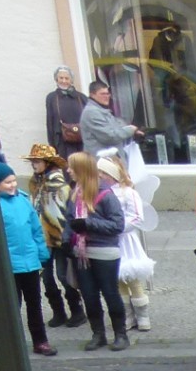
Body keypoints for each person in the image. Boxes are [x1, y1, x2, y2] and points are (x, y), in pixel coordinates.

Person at [64, 150, 128, 351]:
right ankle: (98, 334)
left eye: (71, 167)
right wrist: (67, 240)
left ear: (81, 169)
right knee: (89, 295)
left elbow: (117, 225)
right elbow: (69, 220)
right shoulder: (75, 193)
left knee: (110, 293)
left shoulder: (105, 194)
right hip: (82, 253)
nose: (68, 171)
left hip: (104, 251)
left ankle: (121, 334)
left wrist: (88, 224)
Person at [0, 163, 56, 353]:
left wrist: (41, 253)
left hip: (29, 262)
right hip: (8, 265)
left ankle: (40, 341)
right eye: (7, 182)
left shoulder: (23, 200)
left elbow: (36, 229)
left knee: (34, 304)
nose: (13, 185)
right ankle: (14, 344)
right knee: (12, 307)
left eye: (14, 181)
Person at [27, 142, 85, 327]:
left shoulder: (57, 184)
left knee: (63, 275)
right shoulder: (36, 183)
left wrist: (65, 236)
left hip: (59, 238)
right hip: (42, 238)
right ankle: (58, 311)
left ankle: (77, 310)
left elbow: (62, 213)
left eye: (37, 161)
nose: (34, 165)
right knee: (47, 277)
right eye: (33, 161)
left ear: (48, 163)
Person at [101, 151, 154, 332]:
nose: (100, 177)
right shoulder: (103, 193)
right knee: (118, 279)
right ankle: (127, 315)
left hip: (126, 239)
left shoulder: (128, 193)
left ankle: (143, 315)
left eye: (103, 173)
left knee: (132, 277)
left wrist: (118, 227)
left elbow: (136, 216)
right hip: (111, 241)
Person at [80, 78, 139, 156]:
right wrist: (130, 130)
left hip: (110, 159)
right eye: (102, 94)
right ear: (92, 95)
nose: (106, 96)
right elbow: (109, 137)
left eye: (107, 93)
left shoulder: (101, 109)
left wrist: (132, 131)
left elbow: (117, 128)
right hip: (102, 161)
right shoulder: (91, 112)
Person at [47, 65, 88, 157]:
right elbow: (50, 121)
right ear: (56, 79)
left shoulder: (81, 97)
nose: (64, 81)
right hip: (62, 141)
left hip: (81, 140)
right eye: (61, 78)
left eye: (67, 78)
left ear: (71, 80)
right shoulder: (52, 98)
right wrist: (52, 144)